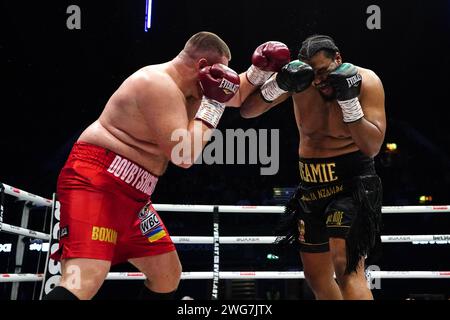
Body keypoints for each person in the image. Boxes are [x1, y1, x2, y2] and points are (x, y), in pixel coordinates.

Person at [43, 32, 290, 300]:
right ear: (202, 65)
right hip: (96, 181)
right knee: (84, 277)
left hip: (135, 196)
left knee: (166, 275)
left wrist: (264, 71)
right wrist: (214, 104)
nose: (223, 80)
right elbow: (183, 155)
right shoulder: (157, 84)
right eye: (221, 71)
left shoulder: (195, 86)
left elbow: (238, 93)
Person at [240, 35, 386, 300]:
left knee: (346, 268)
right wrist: (277, 85)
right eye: (312, 73)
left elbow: (372, 146)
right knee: (316, 277)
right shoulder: (300, 80)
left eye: (323, 71)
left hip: (351, 184)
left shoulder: (367, 81)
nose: (318, 80)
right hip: (311, 186)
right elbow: (247, 111)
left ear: (338, 59)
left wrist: (349, 103)